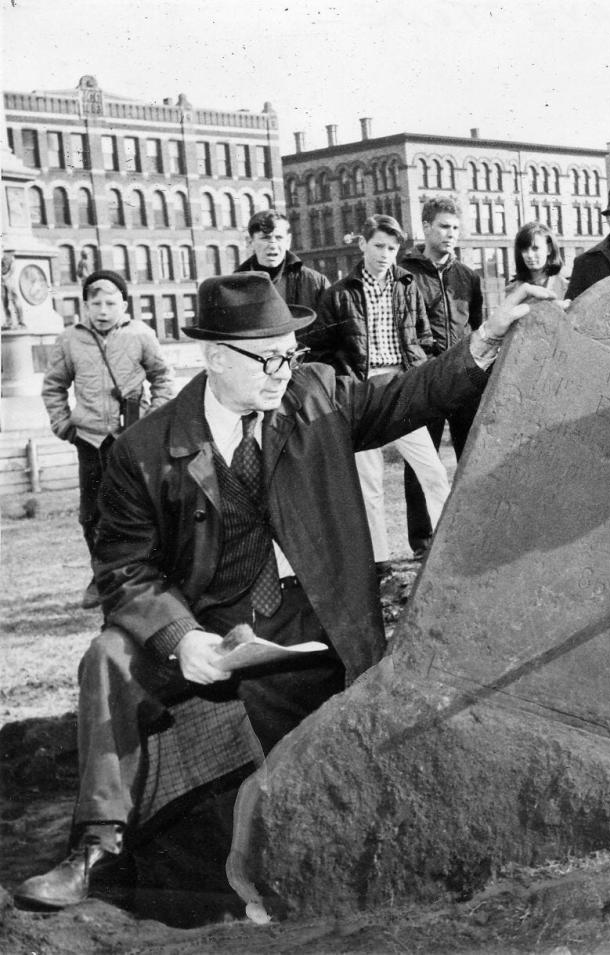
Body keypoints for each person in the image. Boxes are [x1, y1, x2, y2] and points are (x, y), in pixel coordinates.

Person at [12, 272, 550, 910]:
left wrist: (485, 338)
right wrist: (182, 639)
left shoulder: (316, 394)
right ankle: (97, 848)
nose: (282, 370)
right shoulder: (143, 449)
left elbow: (410, 394)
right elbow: (124, 570)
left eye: (290, 353)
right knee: (107, 657)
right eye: (267, 357)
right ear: (215, 357)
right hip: (209, 624)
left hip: (313, 622)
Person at [311, 214, 451, 569]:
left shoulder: (407, 285)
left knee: (432, 471)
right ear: (362, 244)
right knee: (369, 482)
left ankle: (447, 551)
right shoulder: (338, 294)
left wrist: (419, 372)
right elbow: (322, 350)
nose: (385, 254)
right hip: (362, 389)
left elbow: (423, 337)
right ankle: (380, 561)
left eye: (391, 248)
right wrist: (345, 386)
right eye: (378, 246)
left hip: (402, 385)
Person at [41, 270, 175, 562]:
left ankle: (144, 570)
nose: (103, 310)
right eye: (96, 303)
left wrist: (152, 420)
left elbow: (163, 378)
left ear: (124, 305)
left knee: (140, 507)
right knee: (91, 514)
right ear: (85, 305)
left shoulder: (141, 334)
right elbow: (54, 386)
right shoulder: (68, 339)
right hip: (89, 440)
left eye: (111, 303)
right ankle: (101, 575)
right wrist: (65, 426)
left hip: (131, 440)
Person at [400, 197, 485, 555]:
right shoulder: (405, 273)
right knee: (422, 461)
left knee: (471, 458)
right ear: (426, 228)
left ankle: (471, 535)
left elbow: (478, 327)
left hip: (464, 378)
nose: (450, 234)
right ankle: (422, 542)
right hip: (425, 378)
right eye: (443, 227)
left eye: (455, 227)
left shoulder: (468, 276)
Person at [234, 210, 330, 337]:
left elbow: (333, 332)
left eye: (279, 237)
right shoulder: (234, 286)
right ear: (250, 242)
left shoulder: (315, 282)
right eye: (265, 238)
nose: (273, 245)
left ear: (288, 241)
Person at [505, 221, 570, 301]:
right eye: (524, 250)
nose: (529, 255)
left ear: (549, 249)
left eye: (535, 248)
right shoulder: (512, 291)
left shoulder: (566, 287)